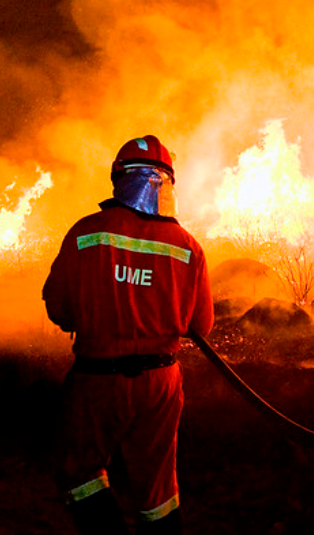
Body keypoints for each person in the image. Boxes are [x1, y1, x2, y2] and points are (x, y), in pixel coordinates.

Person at [43, 135, 214, 535]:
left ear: (118, 178)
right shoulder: (188, 247)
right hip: (162, 383)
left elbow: (59, 310)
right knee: (157, 488)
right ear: (169, 182)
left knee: (78, 470)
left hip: (98, 378)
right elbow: (201, 327)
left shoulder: (87, 234)